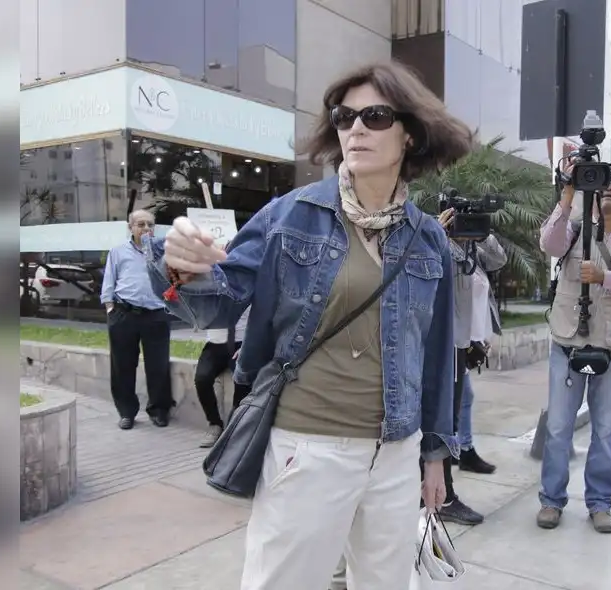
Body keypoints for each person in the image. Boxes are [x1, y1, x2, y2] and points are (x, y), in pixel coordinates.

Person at [147, 60, 472, 590]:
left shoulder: (427, 237)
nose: (356, 128)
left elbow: (435, 356)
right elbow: (218, 306)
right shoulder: (291, 215)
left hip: (396, 452)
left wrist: (433, 455)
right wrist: (185, 269)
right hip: (308, 447)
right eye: (345, 117)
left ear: (410, 134)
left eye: (375, 116)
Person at [537, 168, 611, 534]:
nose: (610, 189)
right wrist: (568, 194)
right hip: (567, 342)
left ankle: (600, 503)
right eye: (603, 183)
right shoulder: (573, 230)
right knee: (557, 428)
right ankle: (551, 500)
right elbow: (550, 245)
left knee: (605, 430)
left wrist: (605, 278)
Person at [432, 206, 507, 526]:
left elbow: (499, 259)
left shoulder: (474, 248)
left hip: (463, 344)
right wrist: (440, 233)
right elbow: (428, 265)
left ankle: (448, 479)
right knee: (443, 419)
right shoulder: (436, 243)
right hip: (442, 344)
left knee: (454, 411)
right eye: (458, 216)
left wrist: (481, 231)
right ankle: (444, 496)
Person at [100, 209, 174, 430]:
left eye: (150, 224)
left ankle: (159, 411)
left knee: (158, 366)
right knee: (122, 366)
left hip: (156, 314)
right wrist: (110, 309)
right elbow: (109, 281)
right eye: (141, 224)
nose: (146, 229)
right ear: (130, 227)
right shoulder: (118, 252)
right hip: (124, 313)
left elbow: (175, 280)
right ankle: (126, 412)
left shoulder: (164, 252)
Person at [194, 303, 252, 448]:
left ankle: (236, 425)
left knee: (242, 380)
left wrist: (249, 345)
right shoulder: (210, 293)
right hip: (215, 343)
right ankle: (214, 424)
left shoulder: (249, 290)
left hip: (242, 342)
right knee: (202, 379)